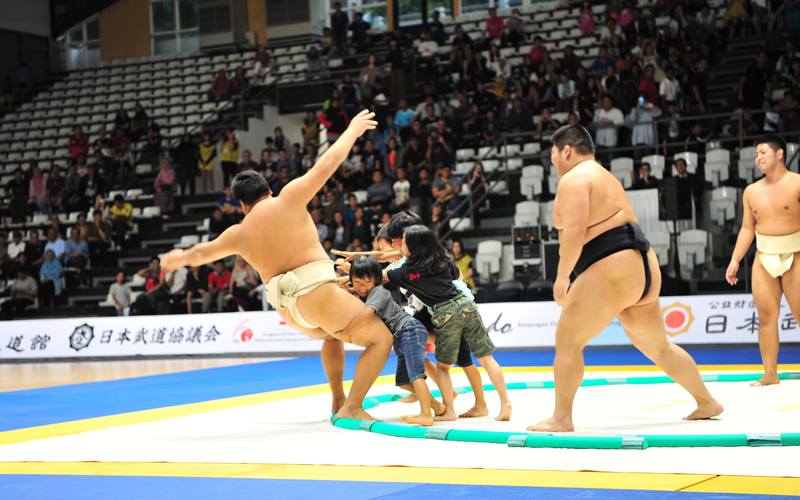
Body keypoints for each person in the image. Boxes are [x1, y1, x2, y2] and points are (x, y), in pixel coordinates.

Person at [160, 111, 392, 419]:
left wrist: (180, 257)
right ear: (268, 190)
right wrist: (351, 131)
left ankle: (338, 398)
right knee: (381, 338)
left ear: (242, 205)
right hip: (318, 295)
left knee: (330, 335)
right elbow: (325, 166)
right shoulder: (288, 199)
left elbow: (202, 254)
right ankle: (352, 406)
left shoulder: (239, 233)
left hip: (290, 313)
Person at [527, 124, 723, 432]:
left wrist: (562, 276)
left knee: (567, 340)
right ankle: (706, 402)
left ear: (567, 150)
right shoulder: (604, 175)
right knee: (659, 347)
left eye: (553, 152)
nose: (552, 159)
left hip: (612, 266)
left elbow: (575, 231)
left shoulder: (574, 179)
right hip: (642, 264)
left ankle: (562, 417)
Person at [380, 225, 511, 422]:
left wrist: (349, 275)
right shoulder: (441, 259)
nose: (400, 247)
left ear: (413, 246)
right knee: (486, 358)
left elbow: (378, 277)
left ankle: (449, 410)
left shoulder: (408, 270)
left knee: (443, 367)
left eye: (404, 242)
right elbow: (456, 277)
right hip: (467, 304)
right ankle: (505, 403)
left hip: (446, 313)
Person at [726, 135, 800, 386]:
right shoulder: (751, 191)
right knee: (766, 316)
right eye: (756, 153)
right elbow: (748, 228)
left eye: (763, 152)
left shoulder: (798, 183)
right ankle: (770, 373)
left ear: (780, 154)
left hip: (796, 253)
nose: (758, 157)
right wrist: (735, 259)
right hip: (763, 255)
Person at [339, 255, 444, 426]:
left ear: (377, 279)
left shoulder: (378, 292)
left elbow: (366, 315)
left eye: (367, 281)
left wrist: (346, 333)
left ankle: (426, 414)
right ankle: (436, 406)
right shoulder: (365, 293)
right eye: (357, 282)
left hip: (409, 330)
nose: (362, 286)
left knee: (416, 375)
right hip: (400, 338)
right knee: (404, 382)